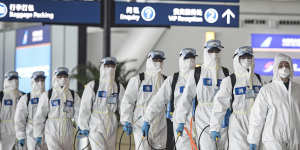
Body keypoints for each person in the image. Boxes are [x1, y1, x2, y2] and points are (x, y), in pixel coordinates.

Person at [175, 40, 230, 150]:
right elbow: (186, 97)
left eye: (217, 51)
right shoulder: (197, 72)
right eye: (211, 51)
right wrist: (180, 120)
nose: (214, 54)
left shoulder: (225, 72)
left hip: (222, 118)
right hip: (203, 117)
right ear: (205, 51)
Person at [142, 48, 197, 150]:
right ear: (181, 60)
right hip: (181, 123)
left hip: (200, 121)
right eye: (187, 58)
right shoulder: (173, 80)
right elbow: (158, 101)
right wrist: (147, 119)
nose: (190, 61)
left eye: (192, 58)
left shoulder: (200, 78)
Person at [209, 46, 263, 150]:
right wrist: (215, 127)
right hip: (238, 124)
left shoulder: (257, 79)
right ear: (236, 59)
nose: (247, 59)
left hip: (256, 123)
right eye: (243, 57)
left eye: (249, 56)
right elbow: (220, 104)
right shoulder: (230, 81)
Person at [248, 53, 300, 150]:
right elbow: (257, 116)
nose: (284, 68)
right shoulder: (267, 90)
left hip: (295, 138)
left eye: (287, 65)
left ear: (291, 67)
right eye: (281, 66)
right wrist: (253, 139)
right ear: (276, 68)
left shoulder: (297, 89)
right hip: (273, 138)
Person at [121, 50, 167, 150]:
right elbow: (128, 100)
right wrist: (126, 120)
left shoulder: (165, 80)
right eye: (155, 60)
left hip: (160, 123)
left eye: (160, 60)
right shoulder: (138, 79)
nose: (158, 62)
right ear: (149, 60)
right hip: (140, 122)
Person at [78, 57, 125, 150]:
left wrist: (126, 121)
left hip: (111, 125)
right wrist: (83, 126)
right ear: (102, 67)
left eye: (112, 66)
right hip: (96, 124)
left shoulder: (119, 87)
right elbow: (85, 107)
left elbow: (124, 106)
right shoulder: (93, 86)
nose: (110, 69)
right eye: (107, 66)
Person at [33, 67, 81, 150]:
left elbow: (79, 113)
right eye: (60, 76)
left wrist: (81, 126)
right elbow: (40, 116)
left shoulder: (73, 95)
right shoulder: (48, 95)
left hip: (68, 131)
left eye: (65, 76)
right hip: (52, 131)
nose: (63, 79)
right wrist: (38, 134)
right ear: (55, 77)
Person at [15, 71, 47, 150]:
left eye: (42, 80)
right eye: (37, 80)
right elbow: (19, 118)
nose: (40, 83)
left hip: (49, 131)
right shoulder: (26, 98)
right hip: (31, 133)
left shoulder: (50, 96)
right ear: (32, 81)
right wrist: (20, 135)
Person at [0, 71, 24, 150]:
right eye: (12, 79)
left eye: (16, 78)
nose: (14, 81)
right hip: (5, 133)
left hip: (20, 132)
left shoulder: (23, 96)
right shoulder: (1, 96)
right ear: (6, 80)